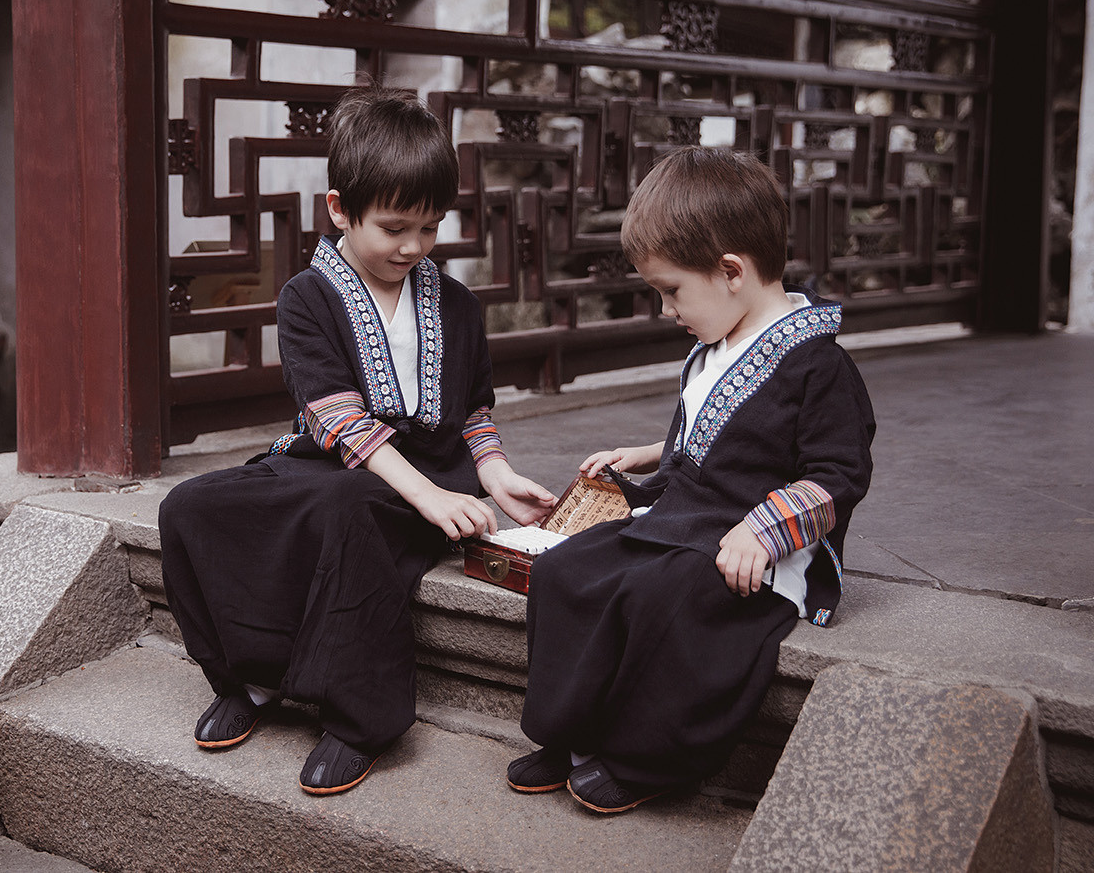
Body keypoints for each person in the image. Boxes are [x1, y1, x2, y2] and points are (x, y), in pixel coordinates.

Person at [159, 85, 555, 796]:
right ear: (340, 208)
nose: (413, 246)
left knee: (345, 512)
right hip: (345, 464)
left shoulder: (457, 303)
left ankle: (361, 717)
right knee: (189, 506)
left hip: (419, 477)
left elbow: (473, 407)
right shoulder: (307, 298)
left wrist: (493, 476)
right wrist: (428, 495)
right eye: (395, 227)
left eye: (430, 228)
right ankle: (250, 678)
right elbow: (341, 426)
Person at [507, 146, 875, 813]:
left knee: (664, 593)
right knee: (567, 570)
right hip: (685, 515)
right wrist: (649, 453)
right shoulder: (716, 343)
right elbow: (717, 435)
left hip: (750, 541)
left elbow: (837, 473)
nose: (666, 307)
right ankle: (571, 731)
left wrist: (762, 531)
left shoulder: (818, 366)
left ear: (730, 270)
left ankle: (647, 757)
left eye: (670, 290)